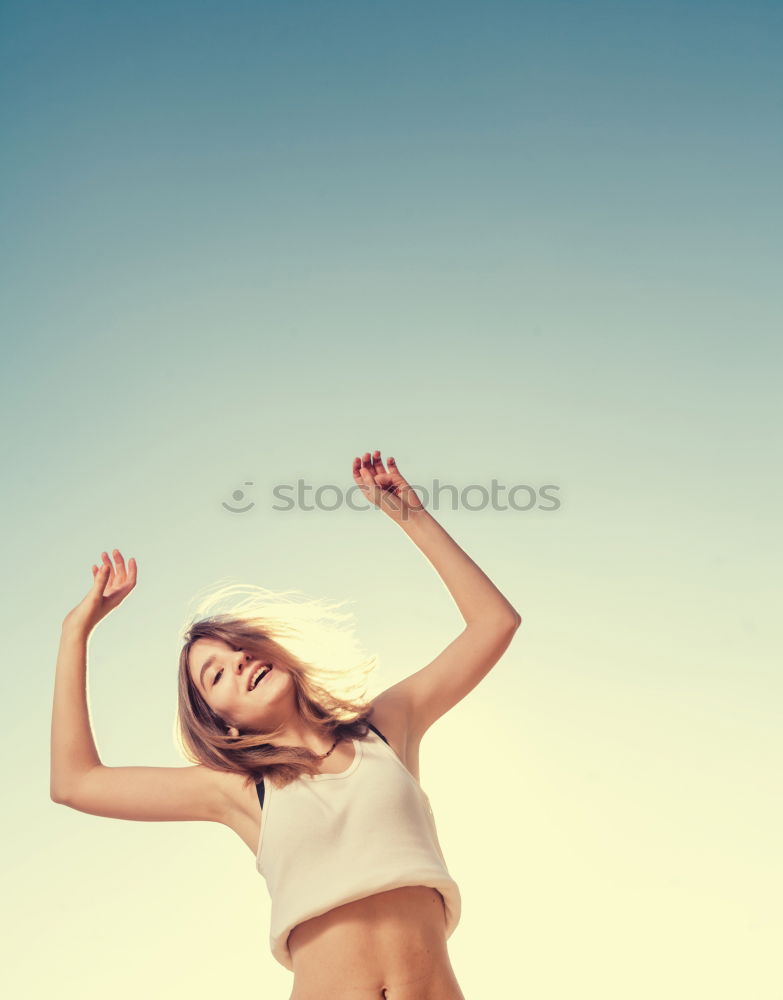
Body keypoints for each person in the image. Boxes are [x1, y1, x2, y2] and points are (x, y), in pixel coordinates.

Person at [50, 450, 522, 1000]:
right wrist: (74, 632)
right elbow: (74, 782)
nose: (239, 662)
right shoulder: (239, 790)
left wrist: (409, 514)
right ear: (222, 724)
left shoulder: (387, 728)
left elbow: (494, 623)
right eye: (215, 674)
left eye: (240, 648)